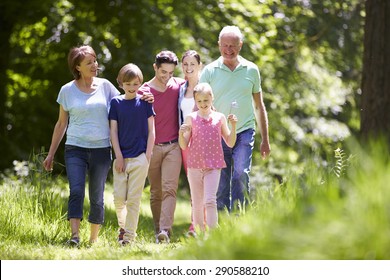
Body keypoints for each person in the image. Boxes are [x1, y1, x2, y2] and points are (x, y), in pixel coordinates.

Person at [42, 45, 120, 247]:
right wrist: (51, 154)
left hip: (102, 149)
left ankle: (93, 239)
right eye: (89, 62)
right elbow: (61, 124)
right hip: (75, 148)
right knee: (76, 191)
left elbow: (125, 104)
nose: (95, 65)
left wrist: (143, 96)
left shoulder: (106, 87)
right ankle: (75, 236)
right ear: (77, 67)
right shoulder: (67, 91)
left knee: (97, 195)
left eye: (95, 61)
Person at [199, 25, 271, 212]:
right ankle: (222, 223)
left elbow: (259, 106)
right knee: (221, 182)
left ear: (241, 45)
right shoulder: (209, 71)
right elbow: (200, 104)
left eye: (233, 45)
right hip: (218, 132)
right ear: (219, 45)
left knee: (240, 173)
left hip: (244, 130)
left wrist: (266, 140)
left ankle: (239, 218)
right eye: (225, 45)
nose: (228, 50)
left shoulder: (251, 70)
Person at [138, 50, 185, 243]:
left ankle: (165, 230)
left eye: (171, 73)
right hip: (152, 148)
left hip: (174, 146)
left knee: (169, 189)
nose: (167, 77)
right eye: (163, 72)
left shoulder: (179, 86)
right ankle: (158, 230)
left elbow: (197, 90)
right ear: (155, 67)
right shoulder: (143, 91)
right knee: (156, 191)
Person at [179, 83, 237, 231]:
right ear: (195, 101)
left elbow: (230, 142)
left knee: (210, 201)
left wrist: (234, 126)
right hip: (194, 166)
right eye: (199, 101)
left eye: (206, 100)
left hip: (213, 166)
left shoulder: (220, 117)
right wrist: (181, 133)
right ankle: (199, 233)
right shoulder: (191, 118)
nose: (203, 104)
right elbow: (184, 145)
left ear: (212, 98)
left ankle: (212, 234)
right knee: (197, 202)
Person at [108, 63, 155, 246]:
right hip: (121, 158)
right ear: (121, 83)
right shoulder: (116, 103)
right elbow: (113, 131)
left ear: (140, 83)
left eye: (136, 84)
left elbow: (152, 131)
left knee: (133, 200)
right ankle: (123, 227)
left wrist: (147, 157)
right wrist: (118, 156)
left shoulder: (145, 102)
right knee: (119, 199)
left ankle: (129, 237)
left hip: (140, 158)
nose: (132, 87)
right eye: (128, 84)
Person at [178, 50, 202, 236]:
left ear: (199, 66)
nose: (188, 68)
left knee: (202, 184)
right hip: (185, 142)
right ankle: (197, 225)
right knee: (193, 183)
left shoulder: (205, 88)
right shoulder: (180, 88)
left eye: (192, 64)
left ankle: (197, 226)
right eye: (185, 64)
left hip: (202, 142)